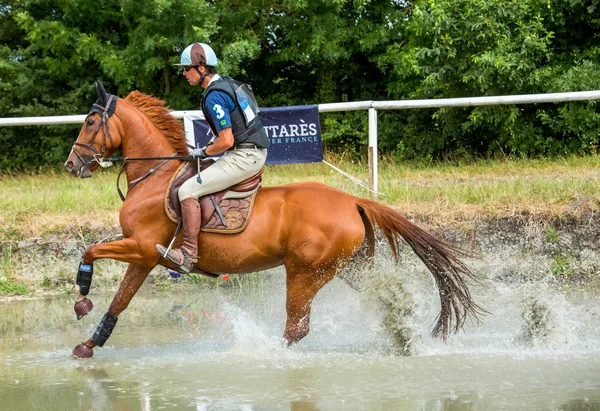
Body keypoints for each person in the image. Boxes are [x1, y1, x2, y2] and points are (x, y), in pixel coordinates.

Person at [156, 42, 270, 273]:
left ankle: (188, 253)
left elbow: (226, 140)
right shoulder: (229, 84)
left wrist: (204, 151)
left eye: (186, 69)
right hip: (250, 150)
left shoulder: (214, 96)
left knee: (187, 190)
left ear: (200, 68)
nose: (183, 74)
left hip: (244, 156)